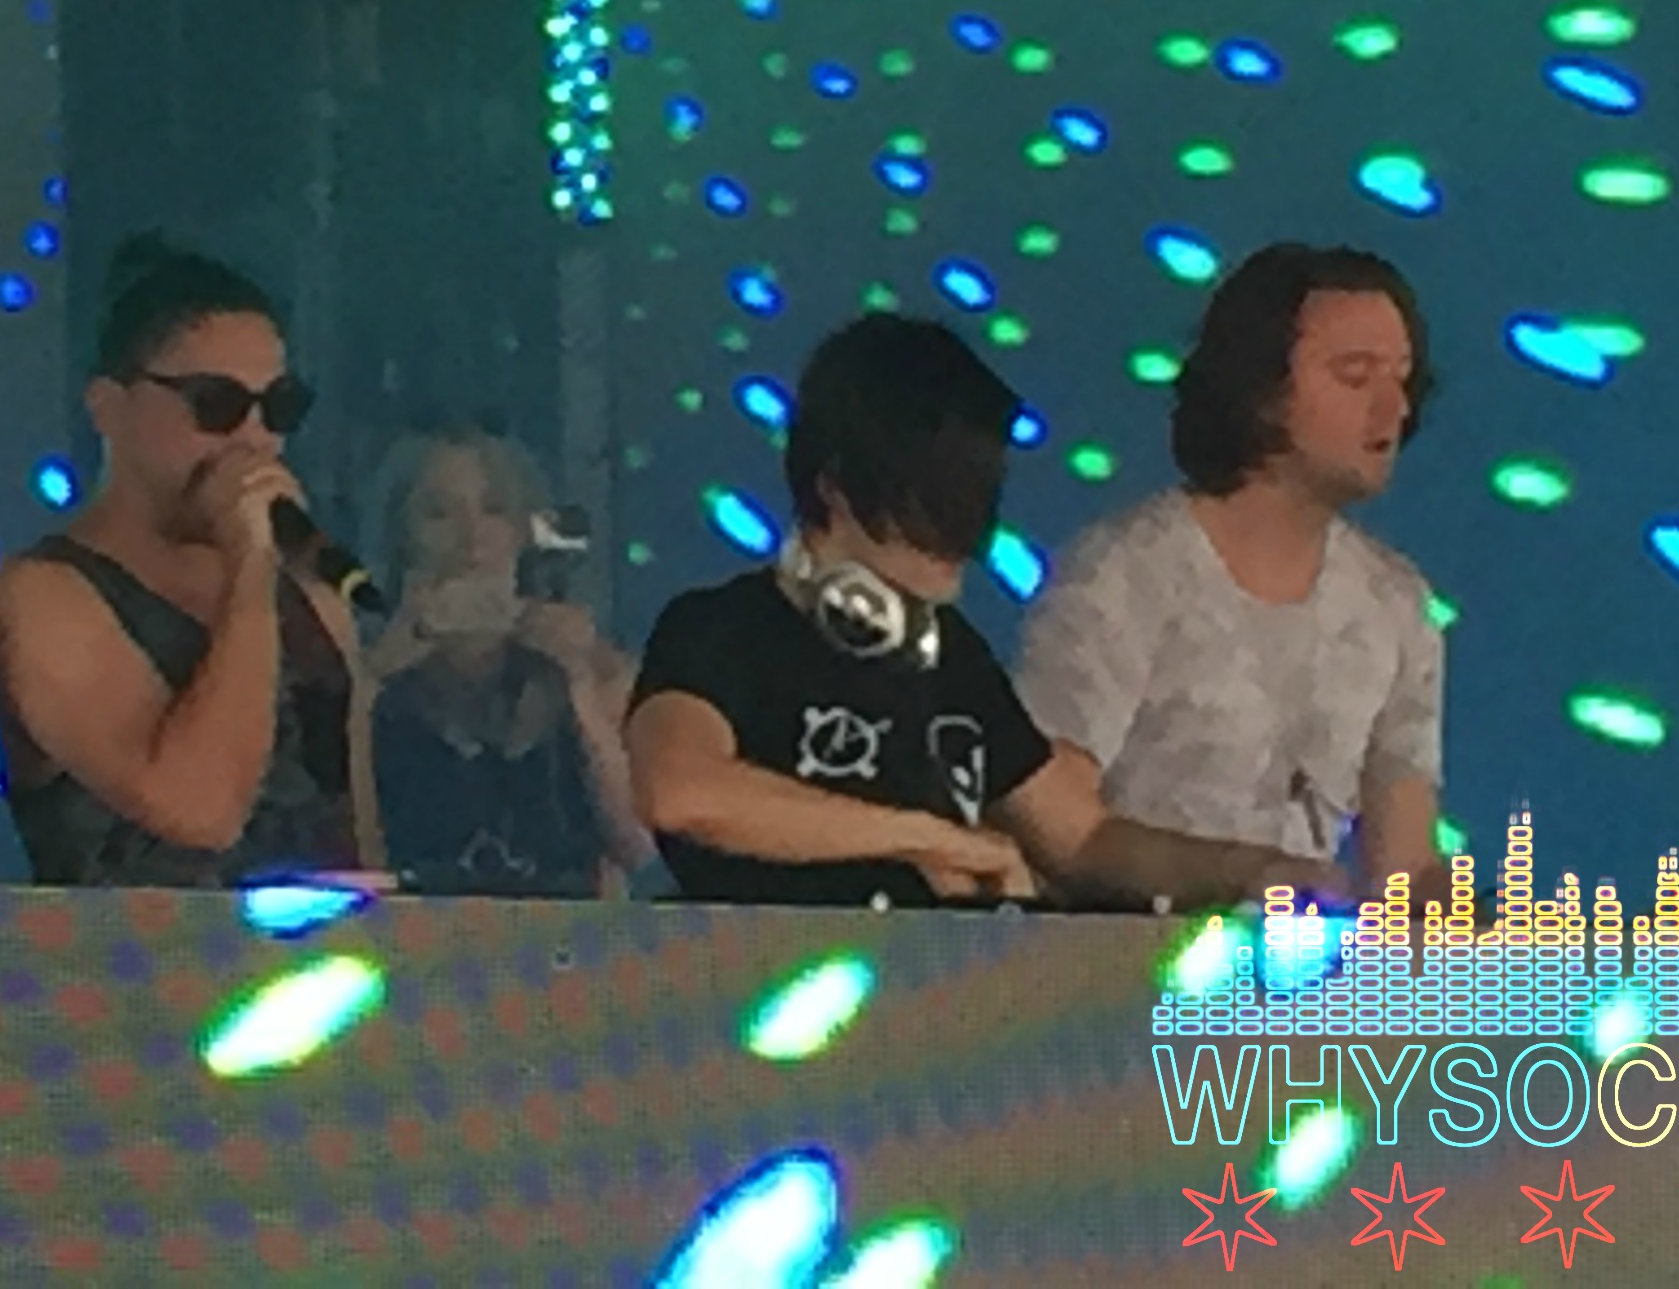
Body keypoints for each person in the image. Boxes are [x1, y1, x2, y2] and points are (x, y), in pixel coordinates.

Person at [626, 313, 1346, 911]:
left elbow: (1083, 839)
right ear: (837, 489)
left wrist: (1250, 869)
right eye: (932, 507)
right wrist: (933, 840)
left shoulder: (951, 657)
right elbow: (682, 791)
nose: (958, 543)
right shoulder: (721, 630)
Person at [1016, 243, 1445, 901]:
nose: (1394, 409)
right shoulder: (1125, 570)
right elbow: (1055, 826)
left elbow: (1404, 873)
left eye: (1403, 380)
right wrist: (1244, 874)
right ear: (1261, 392)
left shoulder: (1396, 603)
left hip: (1288, 965)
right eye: (1355, 377)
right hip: (1118, 956)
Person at [0, 236, 376, 885]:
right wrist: (249, 565)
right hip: (137, 949)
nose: (254, 439)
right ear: (109, 408)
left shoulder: (309, 592)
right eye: (216, 405)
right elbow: (203, 812)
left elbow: (355, 831)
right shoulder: (46, 599)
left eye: (279, 407)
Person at [362, 426, 653, 896]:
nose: (472, 536)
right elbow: (353, 860)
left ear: (525, 533)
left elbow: (640, 849)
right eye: (439, 514)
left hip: (569, 937)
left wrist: (578, 687)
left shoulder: (600, 671)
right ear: (402, 539)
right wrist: (370, 684)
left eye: (495, 510)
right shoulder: (370, 682)